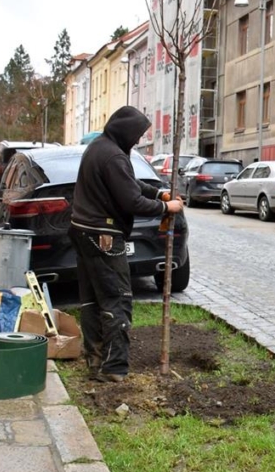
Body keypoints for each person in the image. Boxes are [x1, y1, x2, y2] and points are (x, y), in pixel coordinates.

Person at [69, 106, 183, 382]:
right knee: (117, 300)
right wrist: (167, 207)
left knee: (93, 301)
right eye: (138, 134)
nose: (139, 140)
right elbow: (132, 201)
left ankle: (95, 361)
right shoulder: (113, 156)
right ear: (126, 132)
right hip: (103, 236)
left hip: (83, 231)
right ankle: (113, 368)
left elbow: (129, 184)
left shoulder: (101, 147)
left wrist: (158, 191)